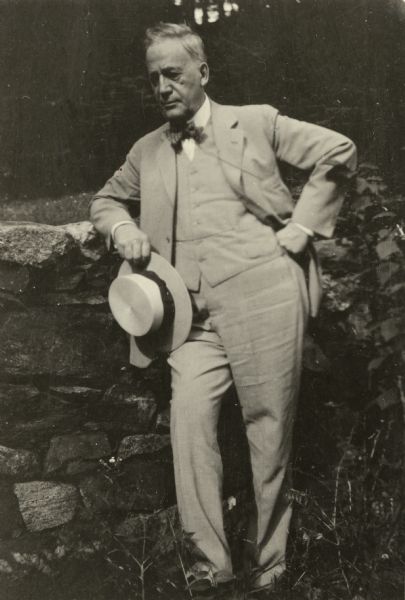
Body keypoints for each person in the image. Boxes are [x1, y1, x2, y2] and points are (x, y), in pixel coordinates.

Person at [90, 22, 357, 595]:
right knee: (189, 427)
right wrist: (122, 230)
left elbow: (338, 150)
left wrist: (304, 227)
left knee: (269, 433)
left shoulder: (255, 122)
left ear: (203, 73)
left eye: (174, 74)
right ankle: (210, 569)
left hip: (266, 298)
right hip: (189, 321)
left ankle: (270, 570)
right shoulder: (147, 150)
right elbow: (106, 199)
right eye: (154, 77)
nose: (163, 87)